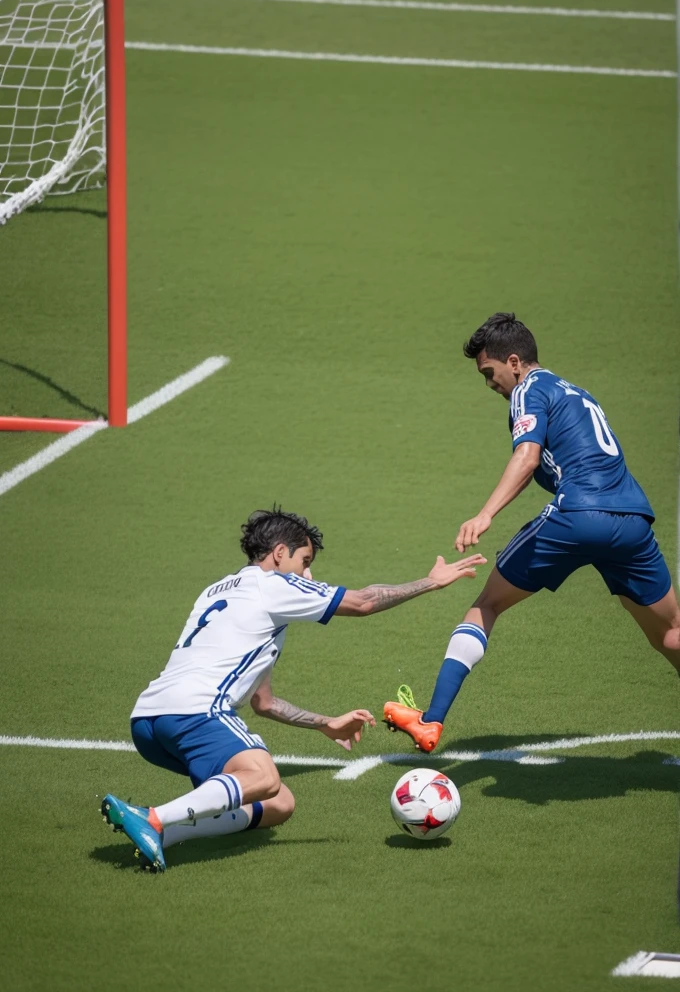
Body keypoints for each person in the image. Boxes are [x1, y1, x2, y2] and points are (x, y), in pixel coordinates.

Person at [102, 507, 485, 869]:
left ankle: (162, 834)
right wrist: (431, 583)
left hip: (148, 720)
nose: (309, 576)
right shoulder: (271, 586)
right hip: (195, 712)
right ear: (279, 553)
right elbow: (365, 601)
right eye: (304, 562)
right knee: (264, 777)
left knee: (279, 802)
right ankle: (152, 818)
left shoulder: (216, 590)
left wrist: (325, 724)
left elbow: (263, 702)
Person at [384, 312, 680, 752]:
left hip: (577, 515)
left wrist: (485, 514)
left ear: (516, 361)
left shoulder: (528, 390)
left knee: (487, 604)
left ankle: (431, 721)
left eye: (490, 372)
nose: (489, 384)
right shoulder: (577, 392)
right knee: (670, 632)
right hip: (633, 520)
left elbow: (527, 455)